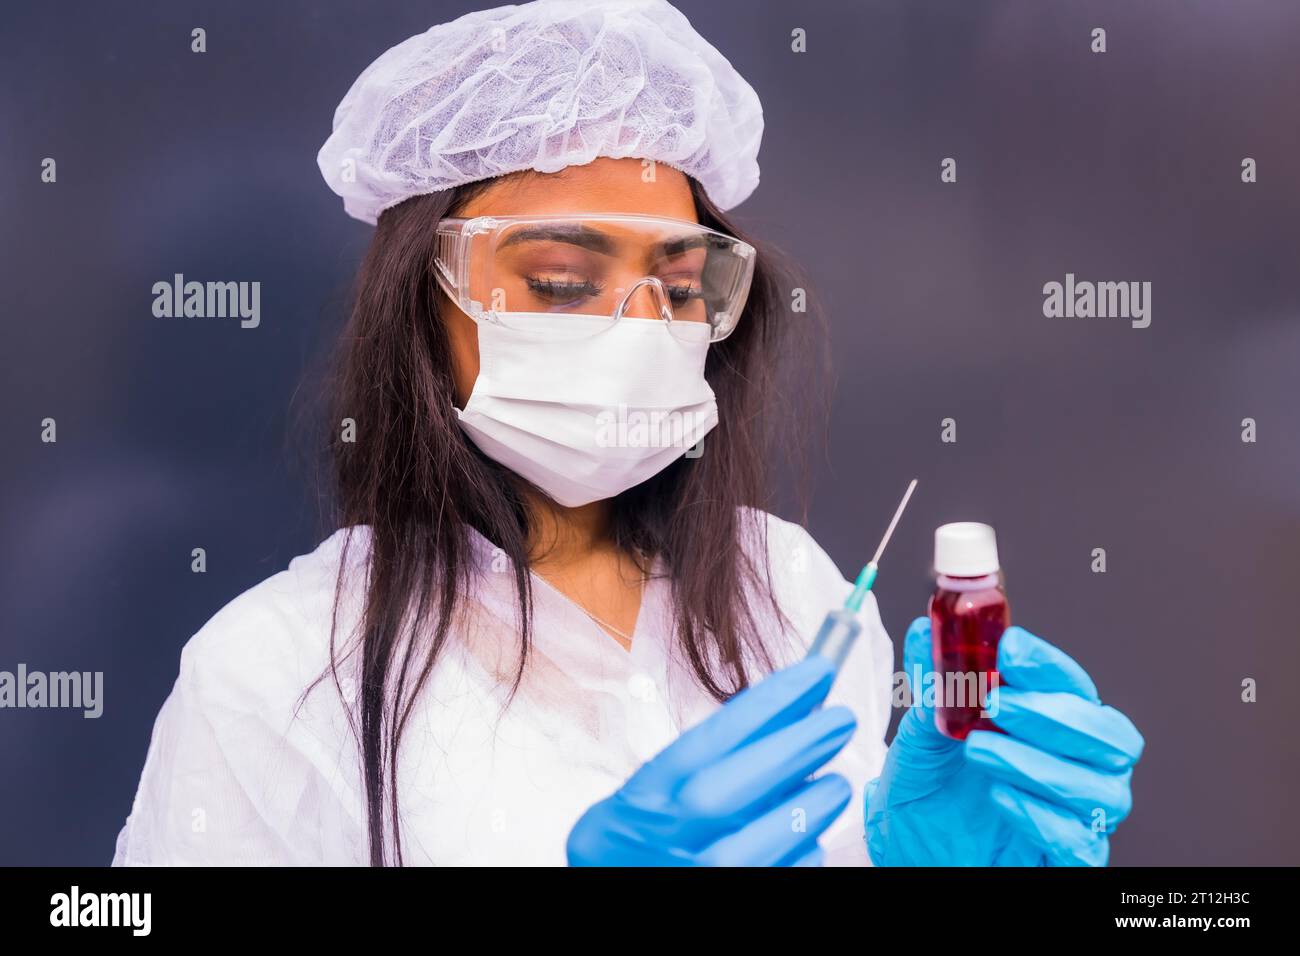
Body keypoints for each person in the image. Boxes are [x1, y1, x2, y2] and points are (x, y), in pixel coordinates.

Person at [111, 0, 1142, 867]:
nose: (637, 329)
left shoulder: (789, 589)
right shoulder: (277, 670)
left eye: (682, 286)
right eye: (561, 280)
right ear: (423, 296)